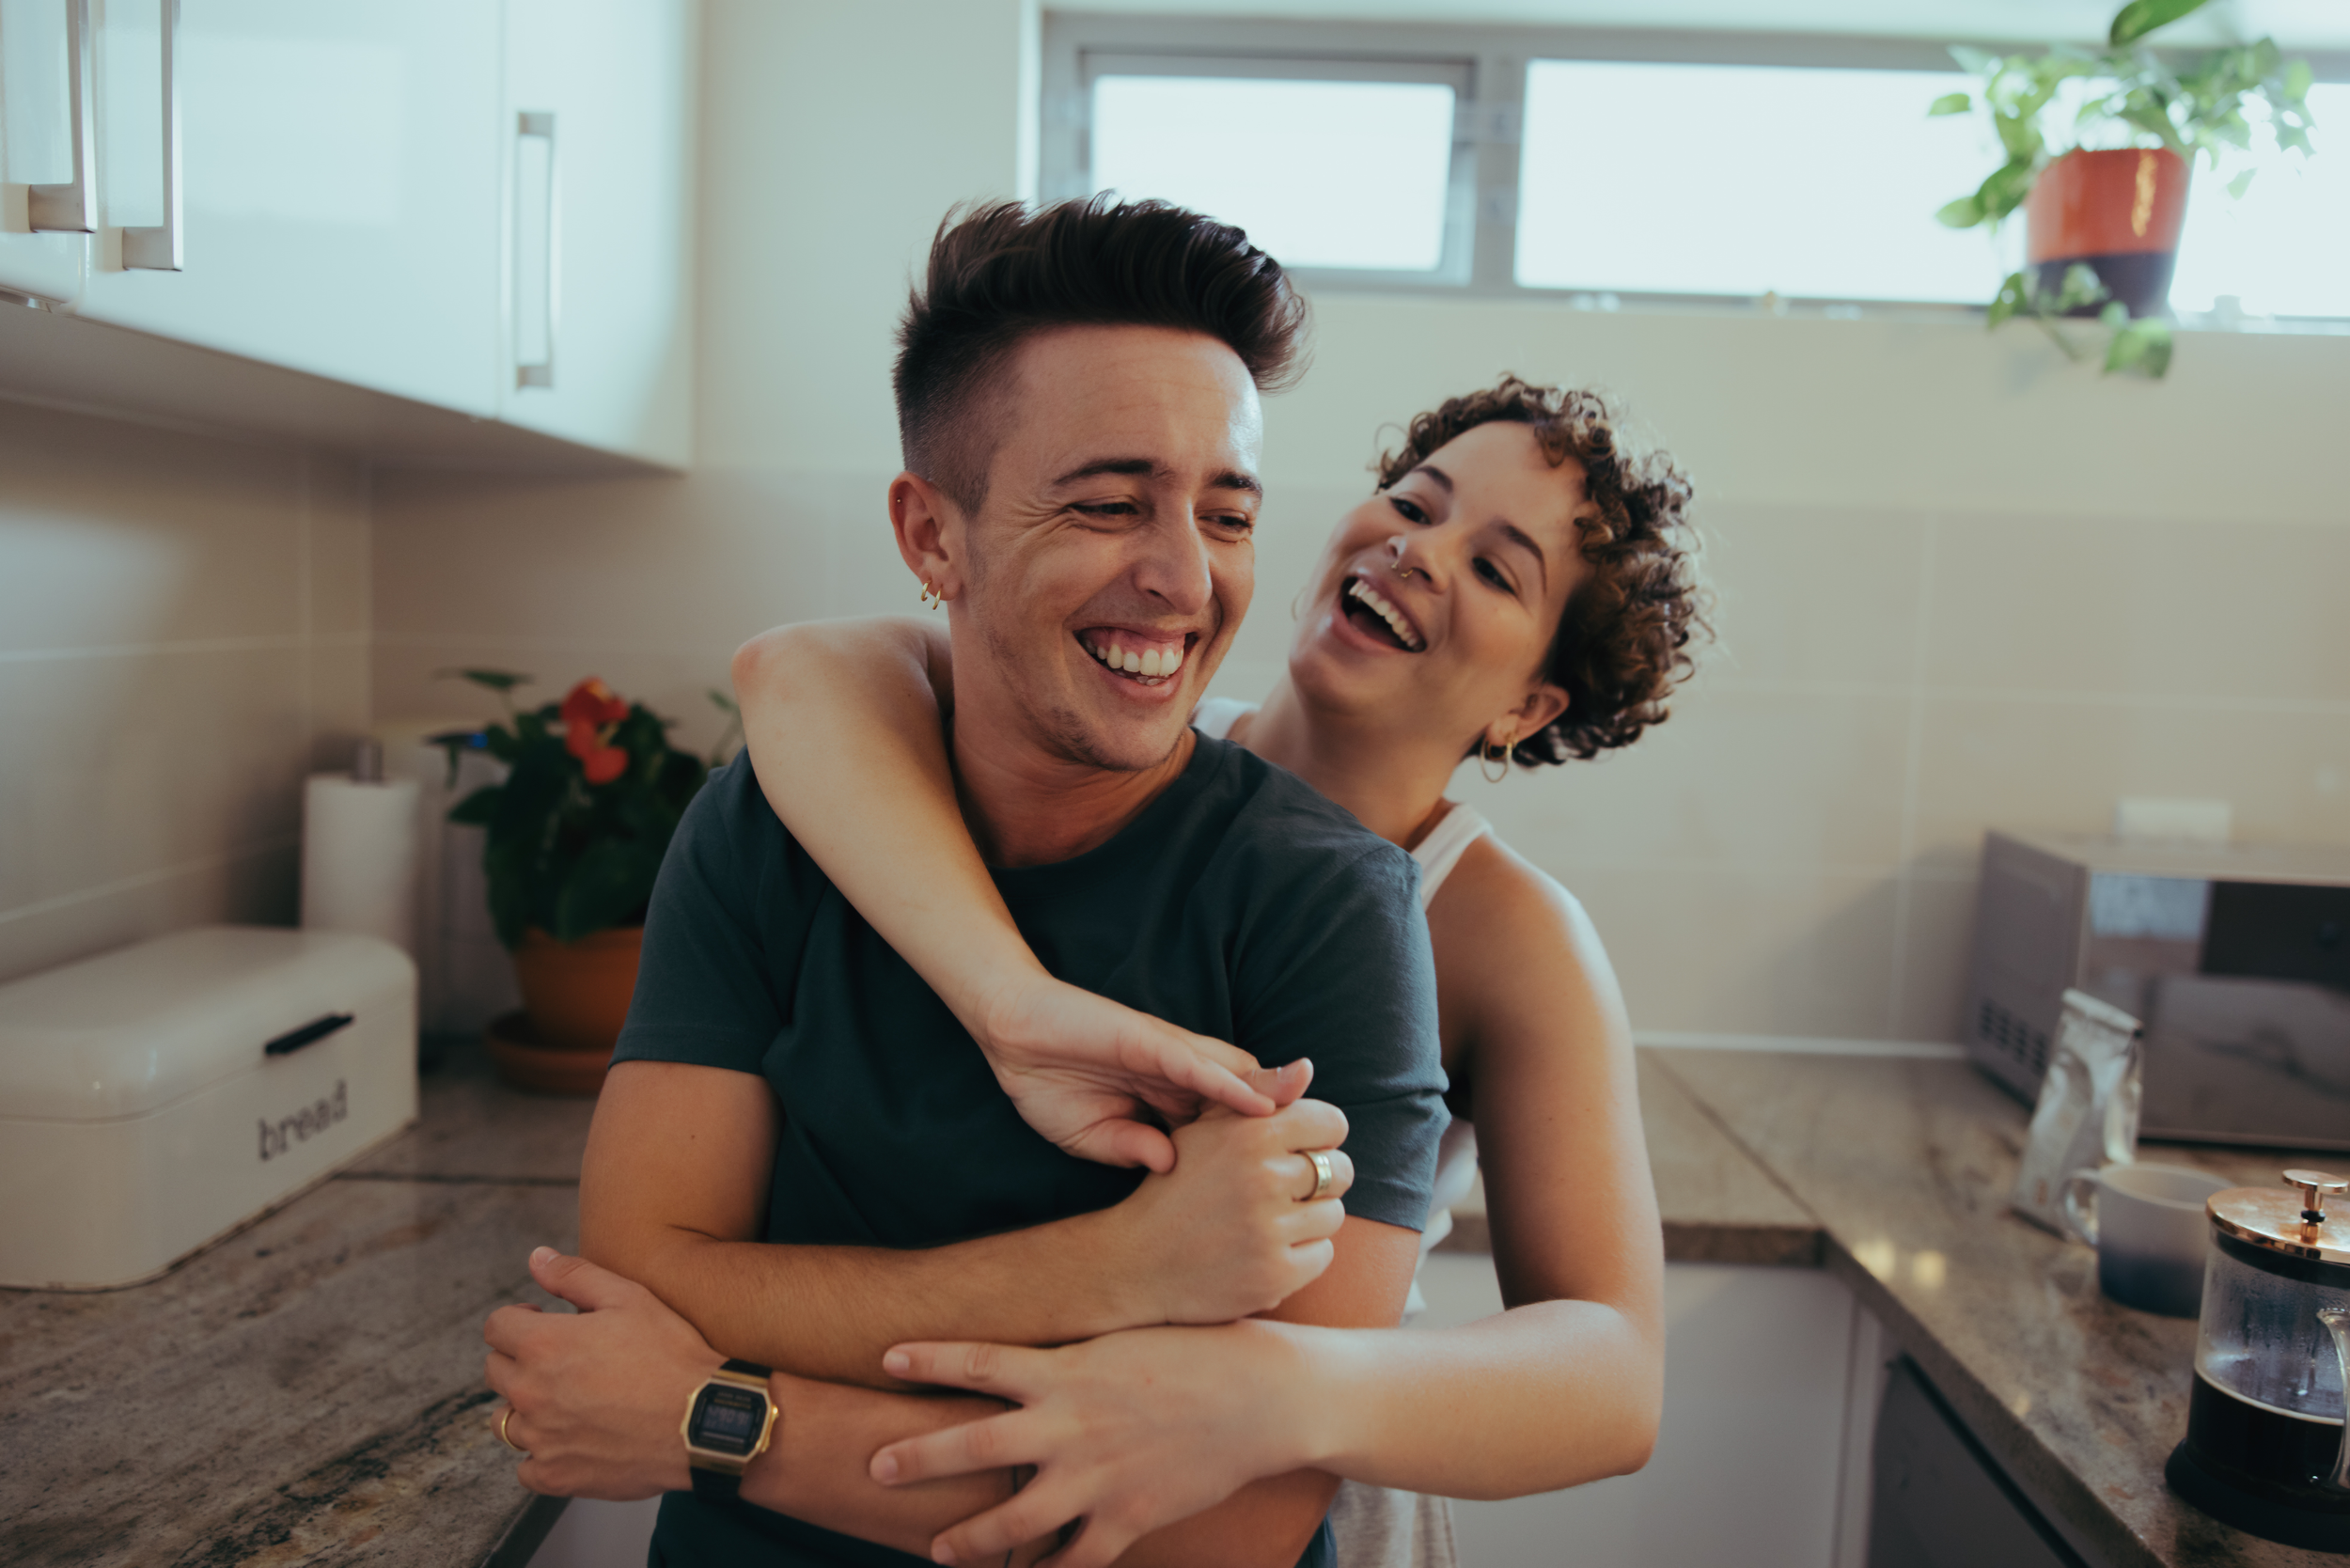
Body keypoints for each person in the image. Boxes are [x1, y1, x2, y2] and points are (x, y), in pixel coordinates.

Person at [484, 196, 1451, 1568]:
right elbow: (644, 1267)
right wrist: (1111, 1273)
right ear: (932, 539)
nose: (1183, 578)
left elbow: (1231, 1528)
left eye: (1225, 516)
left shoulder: (1327, 907)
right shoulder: (765, 830)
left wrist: (719, 1418)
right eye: (1112, 504)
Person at [713, 371, 1705, 1567]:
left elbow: (1613, 1374)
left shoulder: (1510, 936)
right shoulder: (1122, 721)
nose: (1419, 553)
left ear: (1528, 704)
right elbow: (801, 673)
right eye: (1414, 502)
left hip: (1274, 1493)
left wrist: (1277, 1385)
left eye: (1497, 569)